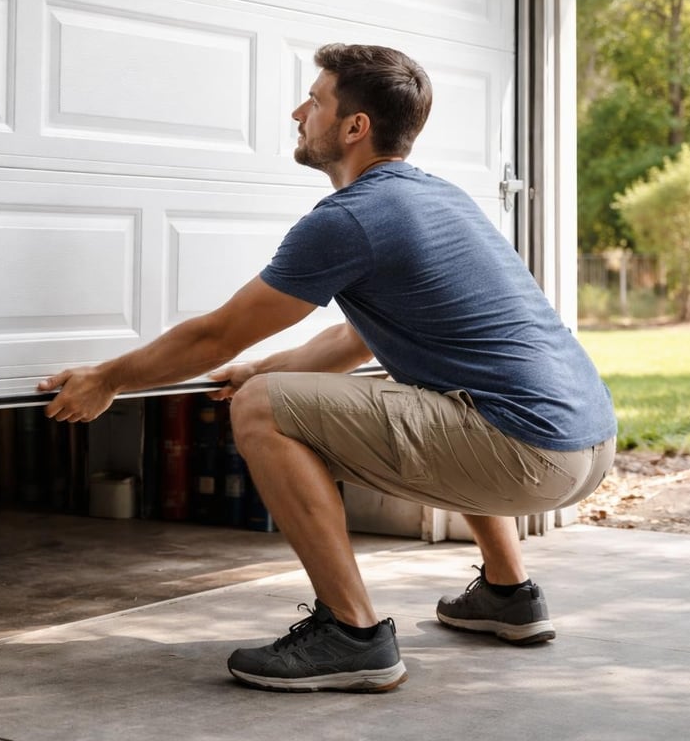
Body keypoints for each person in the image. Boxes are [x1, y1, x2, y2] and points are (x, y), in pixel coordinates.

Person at [37, 43, 617, 693]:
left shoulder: (350, 219)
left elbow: (215, 333)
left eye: (314, 100)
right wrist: (264, 367)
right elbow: (355, 339)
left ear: (353, 127)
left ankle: (354, 634)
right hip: (588, 442)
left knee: (261, 409)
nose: (297, 112)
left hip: (527, 452)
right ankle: (509, 593)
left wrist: (108, 378)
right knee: (419, 379)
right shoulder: (436, 198)